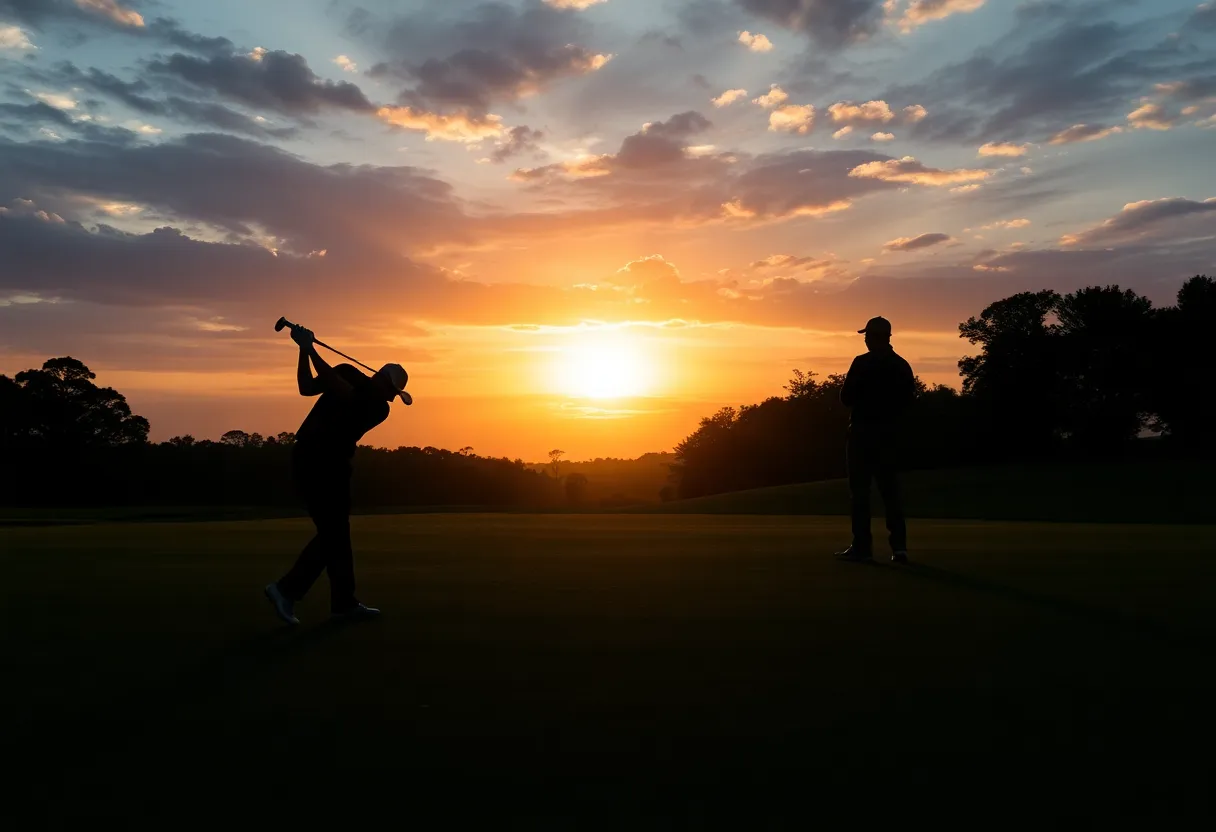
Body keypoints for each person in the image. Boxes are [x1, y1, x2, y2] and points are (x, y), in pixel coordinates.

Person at [264, 324, 413, 625]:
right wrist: (303, 352)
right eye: (393, 391)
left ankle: (342, 603)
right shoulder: (348, 373)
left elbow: (342, 392)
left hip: (330, 464)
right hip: (317, 461)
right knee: (334, 535)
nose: (393, 398)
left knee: (336, 535)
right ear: (382, 380)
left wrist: (309, 348)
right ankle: (287, 590)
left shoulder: (377, 408)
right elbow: (307, 387)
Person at [835, 316, 915, 564]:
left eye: (868, 335)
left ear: (873, 337)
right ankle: (899, 548)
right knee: (890, 492)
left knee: (860, 493)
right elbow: (908, 402)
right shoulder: (901, 365)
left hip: (862, 434)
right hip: (889, 436)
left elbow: (846, 398)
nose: (866, 340)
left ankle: (862, 547)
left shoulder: (861, 363)